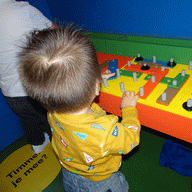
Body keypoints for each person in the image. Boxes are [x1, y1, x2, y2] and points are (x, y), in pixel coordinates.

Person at [18, 25, 141, 192]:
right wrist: (128, 109)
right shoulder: (104, 131)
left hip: (71, 173)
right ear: (97, 88)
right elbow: (130, 139)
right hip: (101, 182)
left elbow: (68, 96)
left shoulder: (53, 111)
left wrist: (90, 81)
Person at [0, 0, 56, 154]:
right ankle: (58, 146)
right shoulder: (22, 8)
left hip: (9, 92)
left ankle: (37, 144)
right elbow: (55, 32)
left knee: (26, 119)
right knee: (50, 119)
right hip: (33, 87)